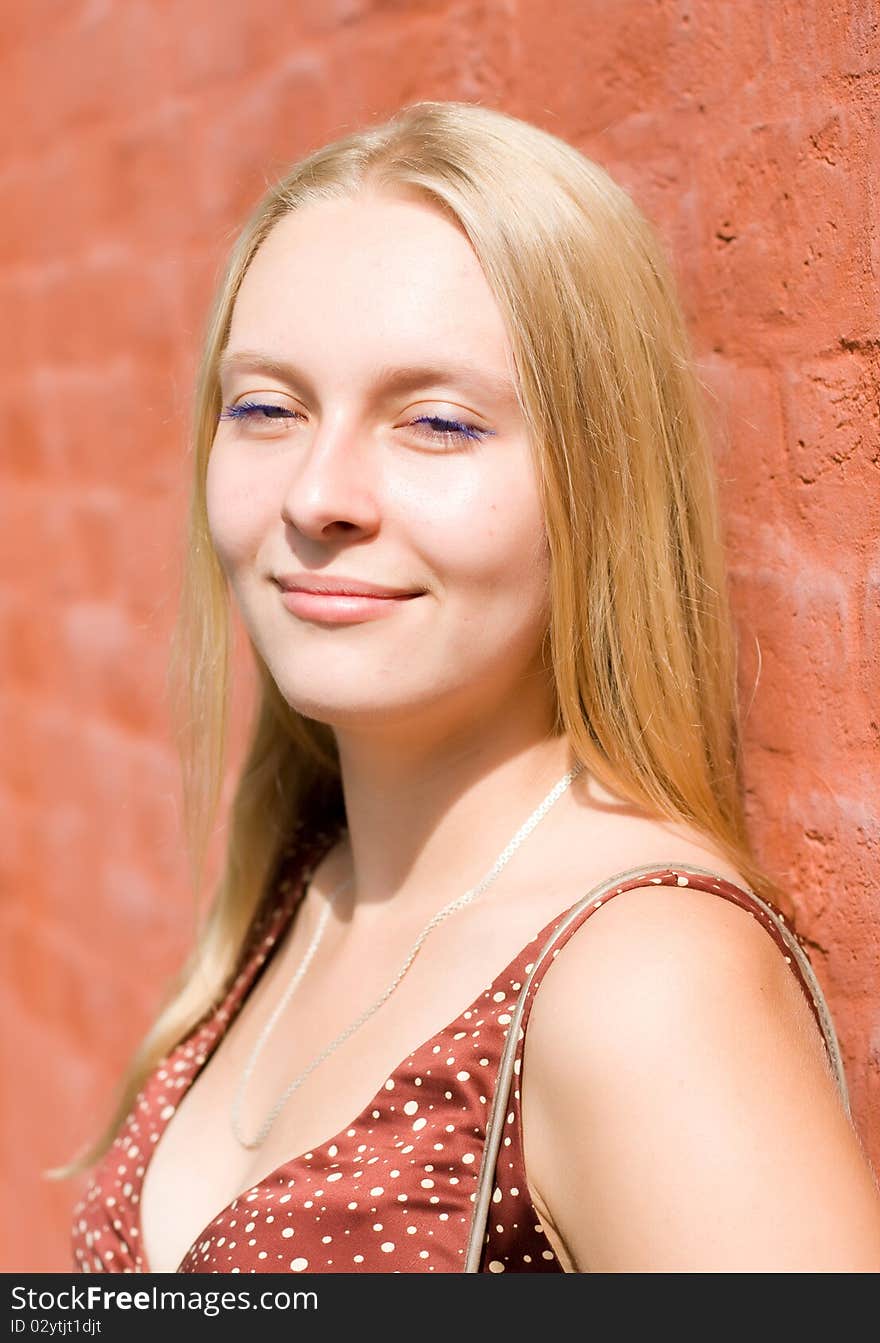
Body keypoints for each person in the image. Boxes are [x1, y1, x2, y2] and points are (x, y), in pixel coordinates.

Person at [51, 100, 880, 1273]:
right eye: (267, 408)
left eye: (435, 423)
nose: (317, 494)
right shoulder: (309, 882)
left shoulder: (640, 985)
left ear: (599, 480)